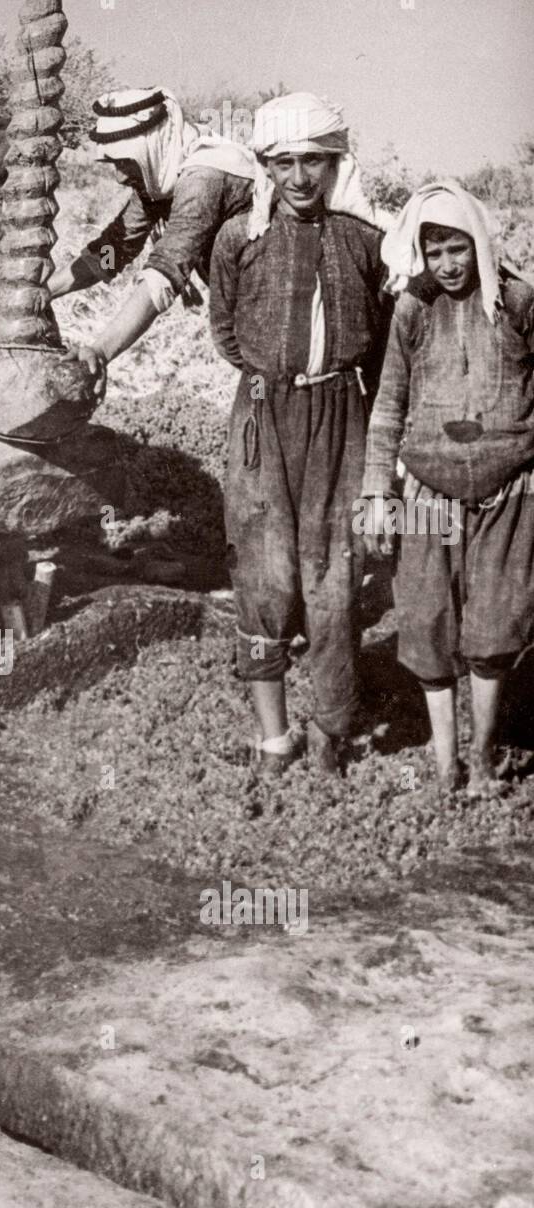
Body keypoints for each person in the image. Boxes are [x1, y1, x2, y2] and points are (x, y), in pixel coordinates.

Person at [208, 92, 390, 776]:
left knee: (334, 573)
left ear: (335, 162)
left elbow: (379, 347)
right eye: (282, 162)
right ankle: (272, 736)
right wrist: (272, 375)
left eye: (313, 160)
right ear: (264, 167)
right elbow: (224, 327)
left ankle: (329, 732)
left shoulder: (363, 241)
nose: (298, 177)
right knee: (262, 571)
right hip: (260, 415)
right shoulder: (238, 238)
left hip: (341, 417)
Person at [360, 181, 534, 795]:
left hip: (509, 495)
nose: (447, 265)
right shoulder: (413, 307)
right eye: (434, 252)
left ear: (478, 243)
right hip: (427, 497)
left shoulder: (518, 302)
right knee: (428, 622)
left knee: (493, 629)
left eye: (457, 249)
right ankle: (443, 762)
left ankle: (483, 757)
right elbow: (388, 404)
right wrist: (377, 491)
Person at [50, 87, 258, 371]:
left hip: (281, 317)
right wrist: (44, 292)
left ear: (151, 146)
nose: (121, 177)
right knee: (259, 392)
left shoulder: (203, 177)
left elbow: (165, 273)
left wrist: (100, 350)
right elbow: (114, 251)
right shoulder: (161, 174)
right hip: (249, 321)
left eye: (125, 162)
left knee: (265, 394)